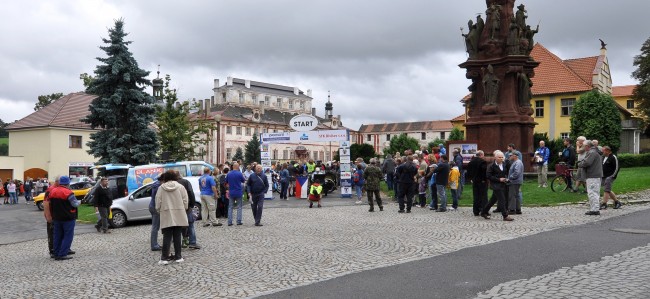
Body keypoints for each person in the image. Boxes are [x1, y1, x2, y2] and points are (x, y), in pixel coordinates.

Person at [155, 170, 189, 264]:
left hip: (166, 213)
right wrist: (183, 209)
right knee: (177, 236)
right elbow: (185, 201)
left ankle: (164, 258)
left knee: (167, 237)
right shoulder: (181, 187)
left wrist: (159, 211)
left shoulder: (161, 188)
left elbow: (158, 202)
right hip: (179, 213)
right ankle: (178, 257)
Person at [47, 176, 81, 260]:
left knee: (57, 236)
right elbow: (75, 204)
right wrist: (80, 201)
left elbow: (49, 203)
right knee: (67, 236)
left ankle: (56, 253)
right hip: (68, 218)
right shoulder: (68, 192)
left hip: (56, 217)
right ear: (68, 183)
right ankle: (62, 254)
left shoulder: (52, 191)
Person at [480, 151, 513, 221]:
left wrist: (505, 179)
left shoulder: (504, 164)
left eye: (502, 157)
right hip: (495, 185)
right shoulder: (491, 166)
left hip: (502, 185)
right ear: (495, 157)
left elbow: (505, 173)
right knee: (502, 200)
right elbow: (488, 176)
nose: (501, 159)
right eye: (499, 157)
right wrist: (499, 179)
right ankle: (505, 216)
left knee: (492, 201)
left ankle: (483, 212)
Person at [176, 172, 200, 249]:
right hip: (186, 207)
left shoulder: (172, 183)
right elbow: (191, 193)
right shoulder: (185, 182)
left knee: (178, 226)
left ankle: (181, 242)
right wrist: (192, 204)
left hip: (176, 208)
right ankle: (192, 242)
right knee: (190, 225)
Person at [578, 140, 603, 215]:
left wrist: (580, 164)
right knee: (594, 192)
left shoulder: (592, 152)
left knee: (592, 193)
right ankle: (594, 208)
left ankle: (595, 210)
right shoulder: (595, 151)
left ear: (587, 146)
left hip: (592, 175)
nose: (583, 148)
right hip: (594, 175)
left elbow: (587, 162)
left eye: (584, 146)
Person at [466, 150, 488, 216]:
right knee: (483, 196)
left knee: (476, 196)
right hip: (482, 181)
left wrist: (471, 179)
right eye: (483, 155)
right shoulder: (483, 162)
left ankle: (476, 211)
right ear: (481, 155)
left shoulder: (471, 162)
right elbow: (484, 172)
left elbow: (468, 172)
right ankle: (483, 210)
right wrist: (484, 180)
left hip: (474, 181)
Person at [149, 176, 163, 251]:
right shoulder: (159, 186)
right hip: (155, 207)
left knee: (155, 227)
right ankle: (154, 245)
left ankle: (155, 244)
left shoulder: (155, 184)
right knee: (155, 227)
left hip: (152, 206)